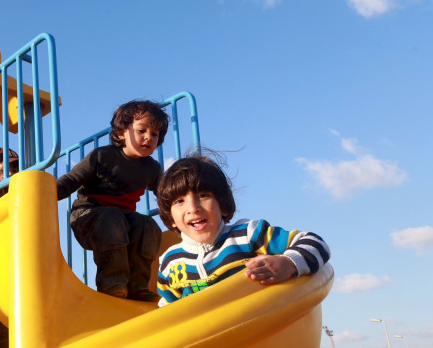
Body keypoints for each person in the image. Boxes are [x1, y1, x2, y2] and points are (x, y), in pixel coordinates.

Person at [156, 154, 330, 307]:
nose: (193, 208)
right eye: (179, 201)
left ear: (222, 205)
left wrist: (288, 263)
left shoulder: (247, 235)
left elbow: (316, 243)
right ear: (171, 219)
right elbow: (168, 310)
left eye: (203, 195)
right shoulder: (169, 263)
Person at [57, 99, 170, 302]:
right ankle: (113, 284)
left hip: (123, 220)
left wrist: (178, 218)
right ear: (121, 133)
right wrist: (44, 194)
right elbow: (70, 181)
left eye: (155, 134)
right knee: (112, 218)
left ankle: (138, 286)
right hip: (87, 218)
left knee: (148, 225)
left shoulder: (152, 168)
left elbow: (166, 196)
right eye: (142, 130)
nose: (148, 137)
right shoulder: (101, 156)